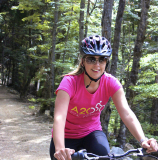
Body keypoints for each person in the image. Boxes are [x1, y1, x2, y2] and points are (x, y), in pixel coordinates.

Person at [50, 35, 158, 160]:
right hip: (66, 135)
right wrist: (60, 149)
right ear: (83, 61)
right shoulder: (69, 82)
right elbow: (59, 118)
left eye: (102, 59)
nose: (97, 65)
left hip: (92, 132)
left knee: (104, 155)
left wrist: (143, 140)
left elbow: (127, 113)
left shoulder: (111, 83)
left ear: (106, 62)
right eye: (91, 59)